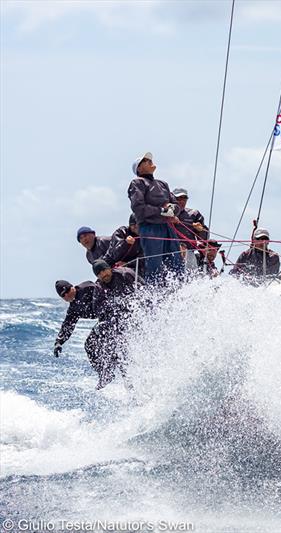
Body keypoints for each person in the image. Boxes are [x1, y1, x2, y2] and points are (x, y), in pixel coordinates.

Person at [128, 152, 184, 284]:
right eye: (145, 160)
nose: (149, 161)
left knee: (176, 260)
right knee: (155, 264)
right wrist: (162, 211)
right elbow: (138, 208)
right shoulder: (137, 182)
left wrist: (171, 211)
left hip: (167, 227)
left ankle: (180, 288)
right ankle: (155, 295)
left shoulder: (163, 184)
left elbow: (176, 205)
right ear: (139, 169)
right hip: (150, 228)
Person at [88, 260, 138, 389]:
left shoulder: (125, 274)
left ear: (109, 268)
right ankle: (112, 376)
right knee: (111, 345)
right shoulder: (99, 287)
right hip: (117, 321)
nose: (103, 274)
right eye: (99, 273)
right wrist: (112, 305)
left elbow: (142, 291)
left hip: (136, 314)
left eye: (104, 270)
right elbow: (97, 308)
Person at [53, 279, 98, 358]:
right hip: (104, 320)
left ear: (72, 287)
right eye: (63, 295)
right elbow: (68, 325)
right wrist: (59, 342)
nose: (66, 295)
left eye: (67, 291)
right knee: (90, 346)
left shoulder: (87, 287)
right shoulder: (74, 308)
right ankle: (108, 369)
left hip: (114, 314)